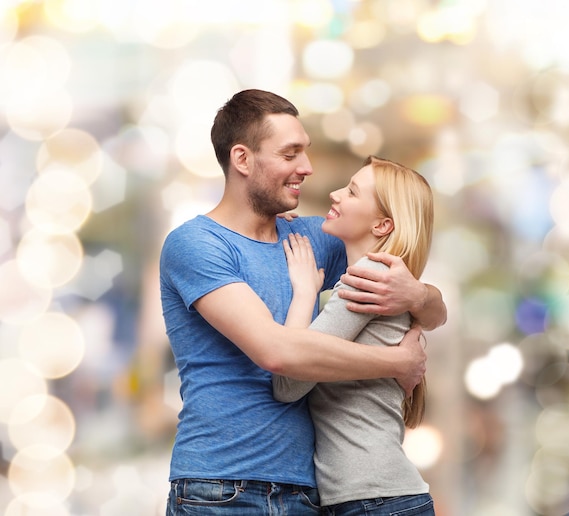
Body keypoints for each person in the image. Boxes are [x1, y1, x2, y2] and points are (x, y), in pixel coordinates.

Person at [160, 89, 446, 515]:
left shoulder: (310, 239)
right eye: (290, 154)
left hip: (309, 494)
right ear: (242, 159)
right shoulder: (196, 245)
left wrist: (419, 295)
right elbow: (276, 352)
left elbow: (414, 291)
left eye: (305, 153)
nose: (307, 169)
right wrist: (397, 364)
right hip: (220, 487)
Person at [273, 155, 437, 515]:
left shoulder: (369, 278)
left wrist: (304, 292)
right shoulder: (383, 276)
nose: (334, 194)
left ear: (382, 225)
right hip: (377, 498)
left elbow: (288, 383)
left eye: (351, 192)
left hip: (373, 500)